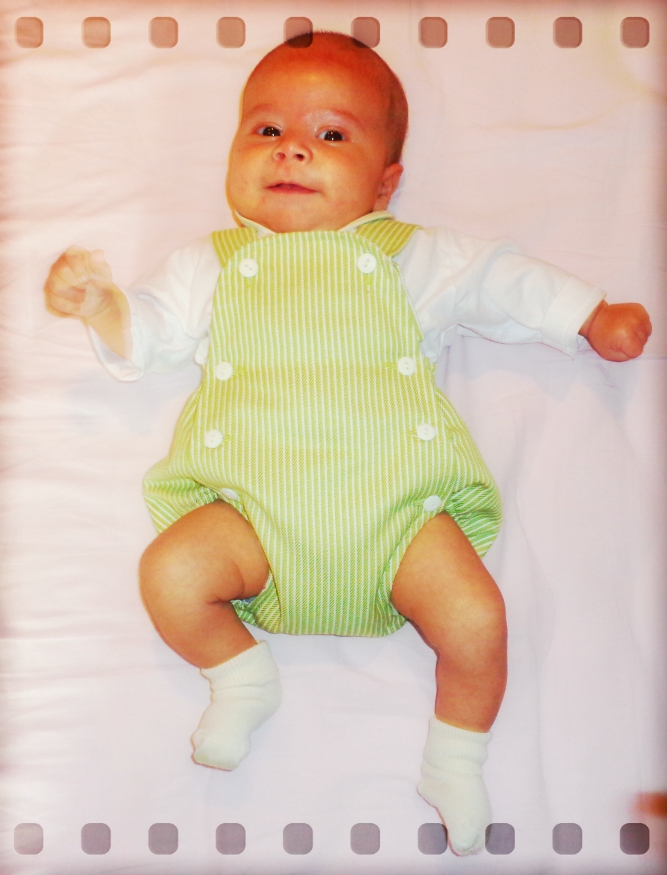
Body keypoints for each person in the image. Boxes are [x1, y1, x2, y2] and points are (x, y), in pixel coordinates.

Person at [43, 32, 651, 855]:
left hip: (397, 518)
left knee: (477, 620)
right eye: (266, 129)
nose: (292, 147)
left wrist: (587, 314)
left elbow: (500, 281)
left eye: (331, 134)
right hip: (252, 517)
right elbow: (145, 337)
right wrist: (103, 306)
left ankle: (455, 757)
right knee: (169, 573)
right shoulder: (211, 265)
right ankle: (239, 674)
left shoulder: (409, 257)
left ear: (385, 183)